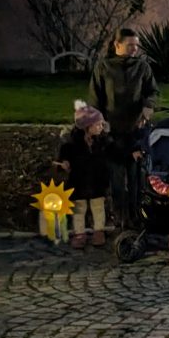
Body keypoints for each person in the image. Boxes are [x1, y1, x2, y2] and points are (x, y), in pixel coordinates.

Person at [88, 28, 158, 226]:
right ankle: (120, 218)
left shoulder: (142, 67)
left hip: (136, 132)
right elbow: (95, 98)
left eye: (136, 45)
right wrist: (98, 124)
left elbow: (153, 92)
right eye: (130, 45)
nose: (135, 49)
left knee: (136, 178)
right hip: (112, 133)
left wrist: (148, 107)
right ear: (117, 45)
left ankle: (136, 217)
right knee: (117, 179)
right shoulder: (103, 67)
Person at [57, 101, 112, 248]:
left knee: (98, 207)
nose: (101, 127)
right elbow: (64, 156)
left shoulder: (102, 141)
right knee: (79, 208)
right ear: (87, 127)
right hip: (79, 180)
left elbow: (112, 152)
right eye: (98, 125)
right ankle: (79, 233)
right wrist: (64, 163)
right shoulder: (72, 144)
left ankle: (99, 231)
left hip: (97, 180)